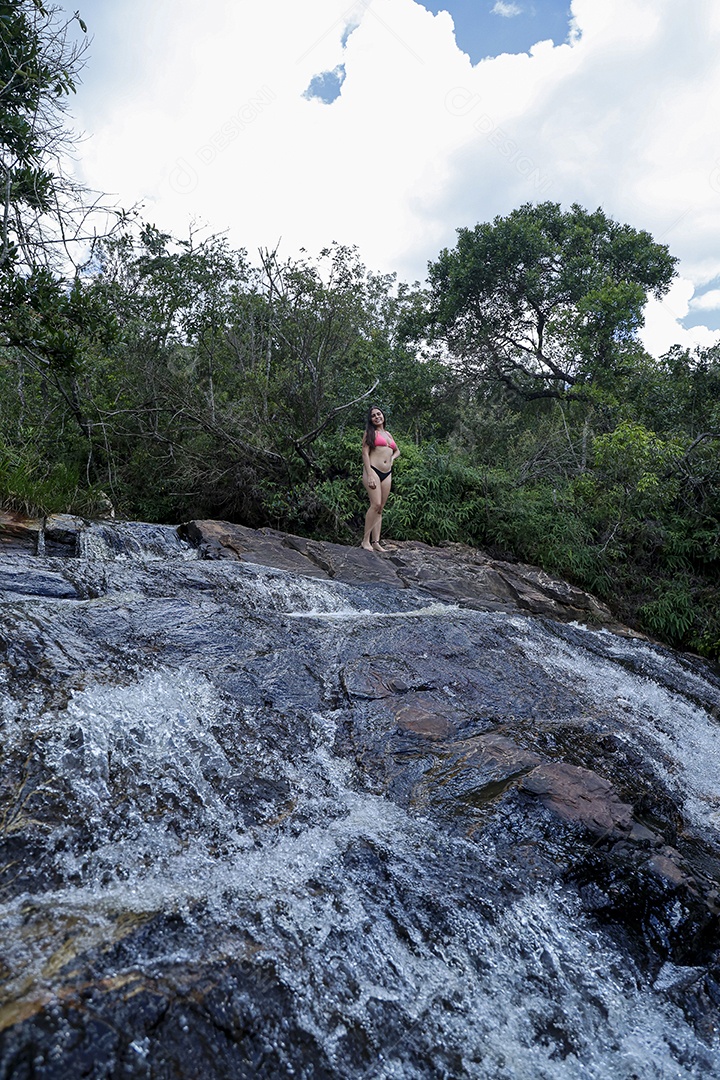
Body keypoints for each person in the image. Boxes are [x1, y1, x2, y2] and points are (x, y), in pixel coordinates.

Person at [361, 405, 400, 552]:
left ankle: (376, 542)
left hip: (387, 473)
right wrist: (370, 474)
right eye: (373, 416)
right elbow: (365, 453)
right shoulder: (370, 433)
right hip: (373, 470)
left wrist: (392, 459)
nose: (377, 417)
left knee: (381, 507)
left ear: (383, 415)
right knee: (375, 504)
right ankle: (365, 541)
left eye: (379, 414)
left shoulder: (388, 434)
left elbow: (397, 450)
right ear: (370, 420)